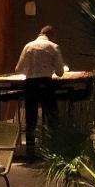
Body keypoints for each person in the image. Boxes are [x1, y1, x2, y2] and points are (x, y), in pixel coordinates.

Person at [15, 25, 65, 160]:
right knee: (52, 117)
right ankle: (53, 151)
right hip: (46, 84)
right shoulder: (53, 47)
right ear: (52, 35)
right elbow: (60, 72)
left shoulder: (28, 46)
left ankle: (30, 153)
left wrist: (30, 70)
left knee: (30, 119)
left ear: (41, 33)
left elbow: (18, 69)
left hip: (30, 85)